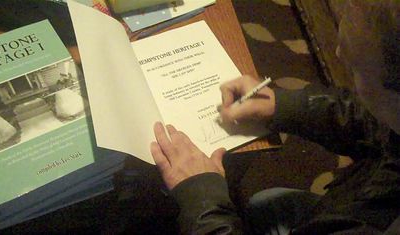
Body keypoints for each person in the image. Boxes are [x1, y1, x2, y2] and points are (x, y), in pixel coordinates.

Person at [150, 0, 400, 234]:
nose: (337, 52)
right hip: (352, 198)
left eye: (356, 71)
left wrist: (202, 203)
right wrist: (283, 106)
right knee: (267, 203)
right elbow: (376, 124)